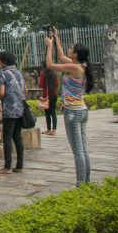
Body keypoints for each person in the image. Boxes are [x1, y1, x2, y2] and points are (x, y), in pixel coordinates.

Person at [46, 29, 93, 186]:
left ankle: (81, 184)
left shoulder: (74, 68)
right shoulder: (82, 66)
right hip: (82, 110)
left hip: (73, 112)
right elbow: (60, 57)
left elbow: (50, 64)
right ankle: (86, 182)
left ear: (76, 55)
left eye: (71, 49)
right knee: (83, 149)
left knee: (77, 151)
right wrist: (56, 38)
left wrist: (49, 46)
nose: (69, 49)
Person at [0, 51, 27, 174]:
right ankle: (20, 165)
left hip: (9, 110)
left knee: (7, 137)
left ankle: (7, 166)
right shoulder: (19, 73)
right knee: (17, 136)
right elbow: (25, 91)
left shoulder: (4, 74)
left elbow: (2, 92)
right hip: (20, 109)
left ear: (3, 61)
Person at [38, 59, 59, 135]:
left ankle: (48, 129)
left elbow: (40, 84)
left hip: (46, 96)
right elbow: (57, 84)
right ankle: (54, 130)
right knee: (53, 112)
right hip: (54, 94)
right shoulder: (54, 73)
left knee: (47, 113)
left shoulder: (43, 73)